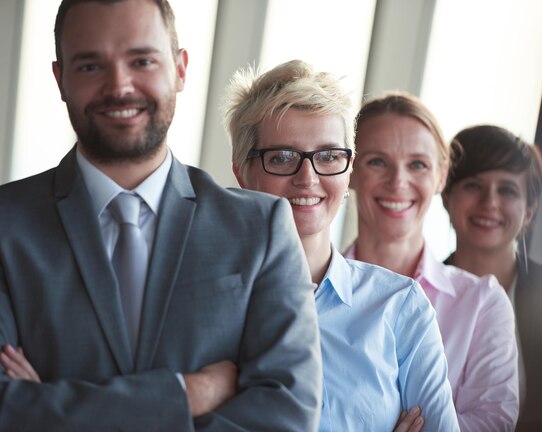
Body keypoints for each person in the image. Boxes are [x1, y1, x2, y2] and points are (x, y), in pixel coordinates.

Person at [0, 1, 322, 430]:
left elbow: (286, 417)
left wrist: (49, 407)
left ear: (180, 68)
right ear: (60, 80)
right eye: (91, 66)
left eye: (142, 60)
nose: (120, 86)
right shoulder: (6, 225)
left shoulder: (260, 229)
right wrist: (188, 394)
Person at [225, 60, 459, 432]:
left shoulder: (401, 308)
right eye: (283, 157)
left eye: (329, 156)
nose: (308, 178)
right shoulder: (202, 302)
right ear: (242, 170)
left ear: (348, 169)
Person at [345, 92, 519, 431]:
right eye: (377, 161)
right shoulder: (310, 293)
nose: (398, 182)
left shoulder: (481, 302)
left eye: (417, 164)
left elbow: (494, 423)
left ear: (441, 176)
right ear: (348, 171)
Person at [441, 124, 542, 431]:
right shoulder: (414, 296)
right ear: (447, 197)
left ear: (529, 210)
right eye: (473, 185)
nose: (490, 202)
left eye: (507, 190)